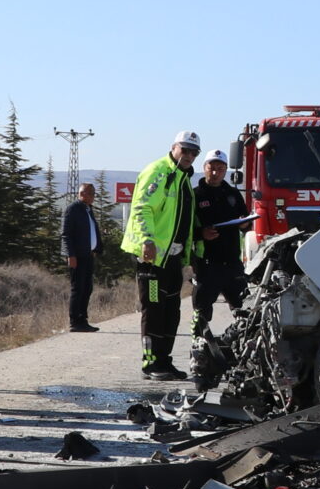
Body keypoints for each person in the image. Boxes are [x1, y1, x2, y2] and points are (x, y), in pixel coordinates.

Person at [122, 130, 201, 379]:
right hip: (152, 259)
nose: (188, 155)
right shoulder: (158, 172)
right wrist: (147, 241)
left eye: (193, 152)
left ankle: (164, 361)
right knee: (153, 309)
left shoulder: (183, 178)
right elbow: (142, 207)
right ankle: (150, 362)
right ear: (173, 147)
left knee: (171, 311)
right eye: (184, 149)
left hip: (172, 259)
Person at [191, 151, 250, 339]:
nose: (215, 173)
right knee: (201, 313)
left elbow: (247, 223)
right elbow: (183, 229)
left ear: (226, 170)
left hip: (233, 263)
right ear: (204, 168)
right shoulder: (195, 195)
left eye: (220, 169)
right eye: (211, 168)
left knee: (244, 310)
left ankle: (243, 345)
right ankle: (199, 348)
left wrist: (244, 223)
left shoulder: (233, 194)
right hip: (207, 264)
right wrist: (201, 234)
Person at [60, 181, 103, 332]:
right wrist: (70, 255)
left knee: (87, 288)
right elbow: (66, 235)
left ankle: (83, 319)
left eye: (93, 193)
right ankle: (75, 322)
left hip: (88, 255)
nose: (93, 196)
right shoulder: (73, 209)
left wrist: (97, 248)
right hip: (77, 256)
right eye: (91, 193)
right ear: (82, 194)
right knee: (78, 288)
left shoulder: (87, 209)